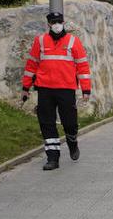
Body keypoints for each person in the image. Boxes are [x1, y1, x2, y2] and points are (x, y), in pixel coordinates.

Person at [21, 10, 91, 171]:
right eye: (54, 22)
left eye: (59, 22)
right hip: (45, 88)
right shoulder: (40, 41)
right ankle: (52, 158)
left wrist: (86, 89)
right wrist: (25, 87)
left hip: (66, 88)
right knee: (46, 122)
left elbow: (82, 66)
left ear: (63, 23)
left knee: (69, 122)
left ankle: (72, 141)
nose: (57, 25)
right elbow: (31, 65)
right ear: (49, 24)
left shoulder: (73, 41)